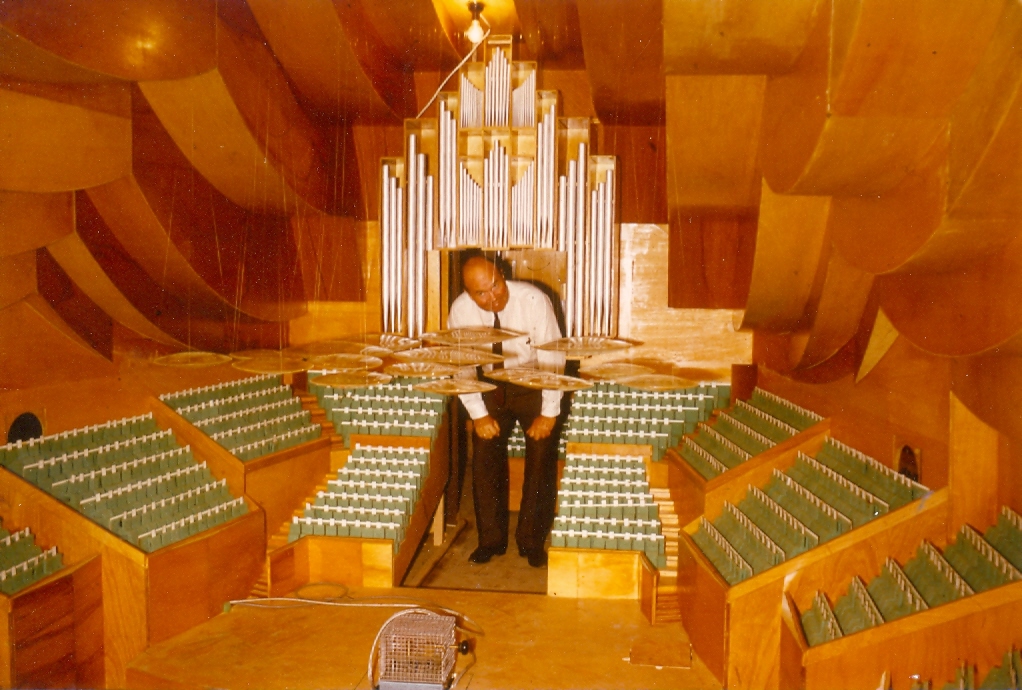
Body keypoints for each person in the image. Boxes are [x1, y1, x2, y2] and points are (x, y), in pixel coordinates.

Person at [447, 251, 566, 568]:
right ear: (468, 293)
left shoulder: (534, 300)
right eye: (480, 294)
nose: (491, 298)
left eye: (495, 286)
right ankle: (490, 540)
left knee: (540, 458)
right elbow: (462, 365)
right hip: (491, 383)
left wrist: (549, 411)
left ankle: (531, 541)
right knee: (484, 457)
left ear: (502, 273)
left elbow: (553, 356)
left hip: (533, 379)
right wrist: (479, 414)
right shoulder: (460, 311)